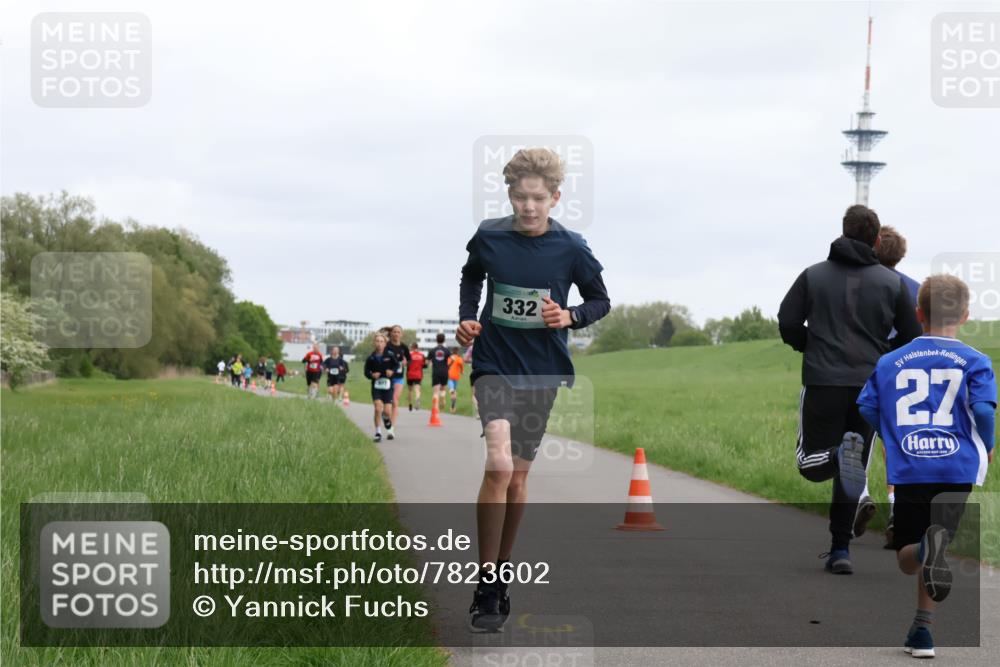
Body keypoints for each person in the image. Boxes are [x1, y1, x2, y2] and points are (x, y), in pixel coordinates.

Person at [457, 147, 610, 632]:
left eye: (538, 199)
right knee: (499, 466)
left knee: (519, 479)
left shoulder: (571, 247)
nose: (528, 207)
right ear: (509, 195)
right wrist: (467, 316)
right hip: (494, 366)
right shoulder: (489, 236)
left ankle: (501, 573)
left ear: (555, 198)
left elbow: (600, 300)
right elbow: (471, 275)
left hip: (542, 372)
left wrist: (570, 315)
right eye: (521, 197)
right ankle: (485, 582)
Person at [857, 274, 995, 659]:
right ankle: (923, 630)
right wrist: (988, 444)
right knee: (938, 544)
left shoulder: (890, 361)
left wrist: (892, 436)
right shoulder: (976, 361)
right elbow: (984, 410)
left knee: (909, 556)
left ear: (919, 314)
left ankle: (923, 555)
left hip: (911, 466)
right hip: (957, 468)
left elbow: (866, 406)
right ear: (965, 316)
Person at [778, 204, 922, 575]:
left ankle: (836, 457)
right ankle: (840, 550)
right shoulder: (892, 284)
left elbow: (787, 321)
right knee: (853, 466)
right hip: (869, 388)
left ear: (843, 232)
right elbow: (912, 335)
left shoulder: (812, 275)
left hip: (822, 382)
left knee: (810, 463)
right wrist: (881, 356)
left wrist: (810, 345)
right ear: (876, 241)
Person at [874, 225, 923, 548]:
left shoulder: (866, 285)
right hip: (913, 376)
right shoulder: (916, 288)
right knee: (904, 443)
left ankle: (869, 499)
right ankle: (902, 511)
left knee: (869, 441)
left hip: (876, 369)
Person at [363, 332, 398, 442]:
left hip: (388, 386)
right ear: (374, 343)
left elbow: (397, 365)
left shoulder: (390, 355)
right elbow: (366, 372)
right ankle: (378, 432)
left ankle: (386, 419)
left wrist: (391, 371)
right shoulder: (371, 358)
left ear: (385, 343)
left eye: (381, 341)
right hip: (376, 386)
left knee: (387, 411)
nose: (379, 343)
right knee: (378, 408)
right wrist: (372, 375)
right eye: (377, 341)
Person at [386, 325, 411, 426]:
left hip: (399, 377)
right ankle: (387, 415)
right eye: (394, 332)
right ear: (391, 333)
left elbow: (409, 360)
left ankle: (391, 427)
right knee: (387, 403)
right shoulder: (386, 346)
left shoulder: (404, 347)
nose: (396, 334)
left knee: (395, 400)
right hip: (387, 377)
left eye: (398, 332)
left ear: (401, 334)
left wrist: (406, 362)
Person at [428, 333, 451, 403]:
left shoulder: (432, 350)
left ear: (436, 340)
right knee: (443, 388)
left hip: (436, 371)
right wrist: (448, 366)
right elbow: (452, 359)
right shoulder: (446, 350)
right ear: (444, 340)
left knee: (435, 391)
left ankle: (436, 406)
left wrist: (431, 364)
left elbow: (428, 361)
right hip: (444, 371)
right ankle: (442, 397)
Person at [406, 342, 427, 410]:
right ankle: (417, 399)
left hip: (410, 375)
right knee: (417, 389)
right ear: (417, 347)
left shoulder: (409, 355)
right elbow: (425, 365)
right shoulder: (422, 355)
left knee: (410, 390)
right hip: (418, 375)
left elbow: (407, 364)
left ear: (412, 347)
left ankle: (410, 404)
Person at [446, 346, 465, 414]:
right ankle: (453, 407)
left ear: (452, 351)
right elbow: (461, 365)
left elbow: (447, 365)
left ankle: (452, 390)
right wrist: (462, 371)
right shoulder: (459, 358)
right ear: (458, 352)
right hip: (456, 376)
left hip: (450, 375)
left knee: (452, 390)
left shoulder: (449, 358)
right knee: (454, 390)